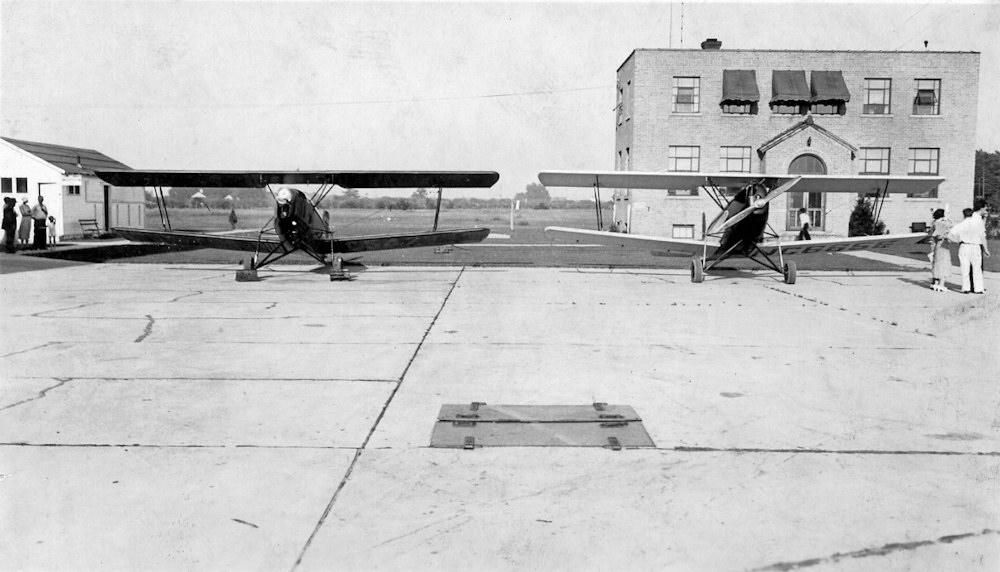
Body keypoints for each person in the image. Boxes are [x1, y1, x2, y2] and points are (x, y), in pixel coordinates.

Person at [948, 203, 990, 294]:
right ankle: (978, 288)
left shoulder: (961, 224)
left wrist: (957, 241)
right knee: (977, 268)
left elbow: (950, 235)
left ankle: (966, 288)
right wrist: (986, 249)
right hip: (975, 246)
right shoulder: (978, 223)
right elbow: (983, 237)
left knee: (965, 267)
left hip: (964, 246)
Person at [928, 208, 952, 291]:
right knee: (944, 264)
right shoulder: (942, 223)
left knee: (937, 264)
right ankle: (941, 284)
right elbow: (951, 225)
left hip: (936, 245)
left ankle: (935, 283)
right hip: (943, 244)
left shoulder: (934, 223)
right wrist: (948, 218)